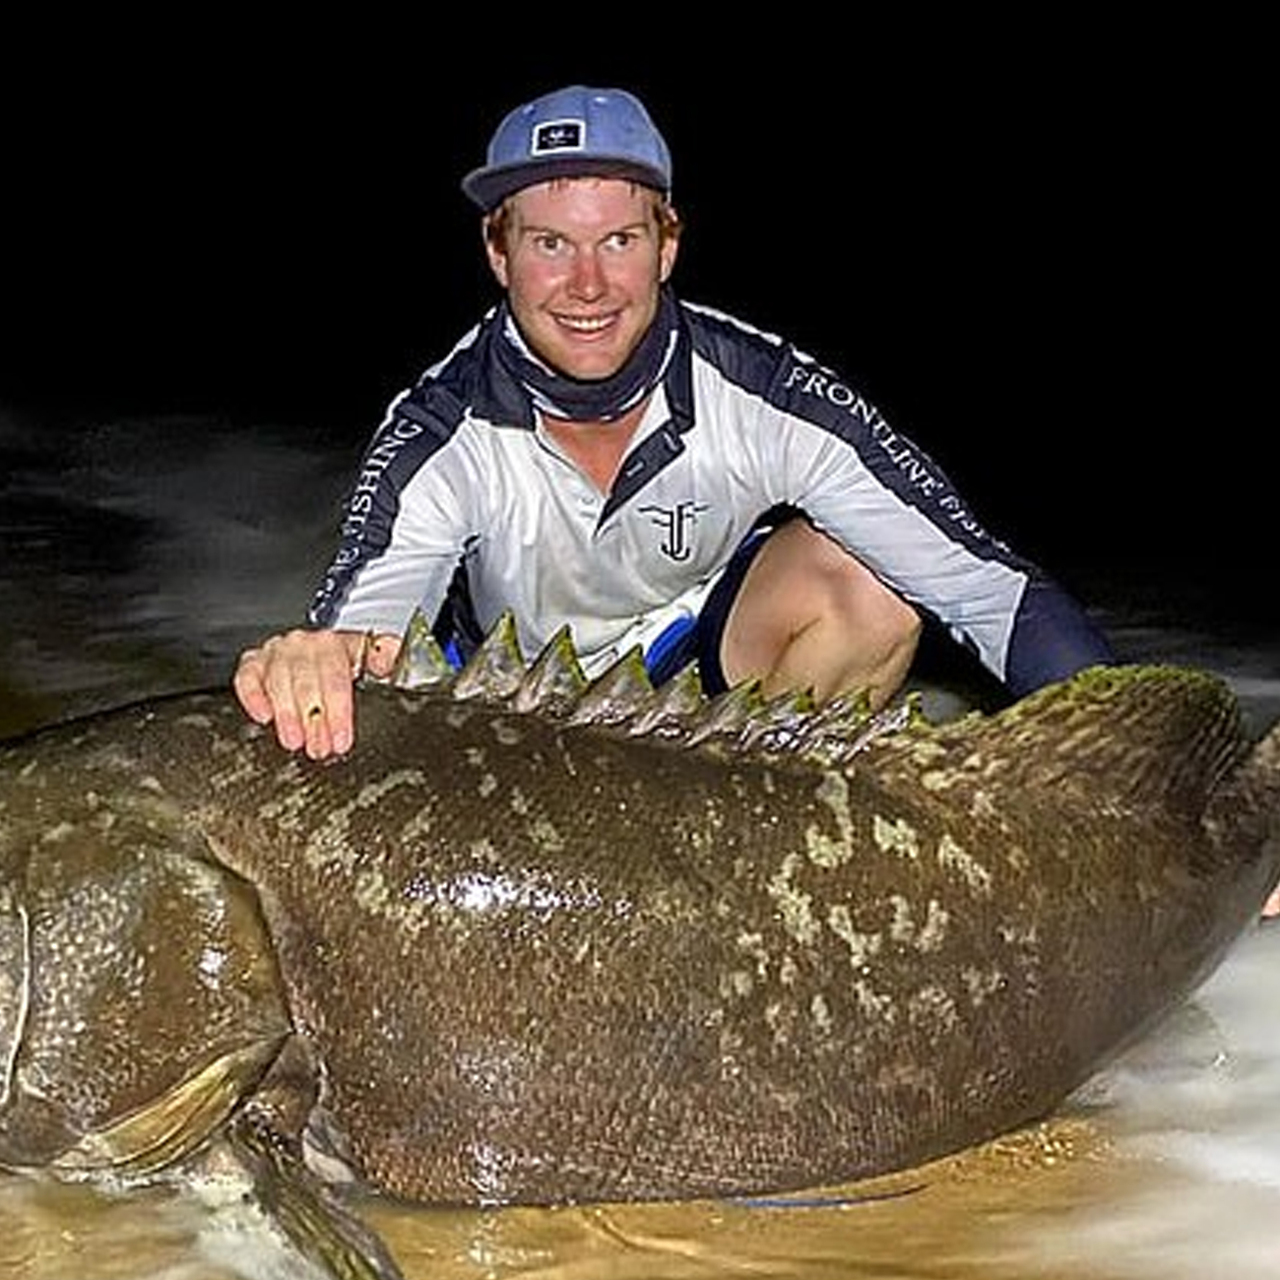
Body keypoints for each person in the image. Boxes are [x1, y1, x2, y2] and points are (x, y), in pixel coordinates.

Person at [234, 84, 1114, 760]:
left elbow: (988, 590)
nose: (588, 284)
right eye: (549, 244)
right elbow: (360, 631)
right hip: (509, 722)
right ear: (497, 254)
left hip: (717, 699)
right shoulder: (437, 432)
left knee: (868, 591)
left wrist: (1151, 775)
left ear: (669, 244)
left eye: (618, 240)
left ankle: (765, 853)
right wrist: (315, 662)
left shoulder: (767, 391)